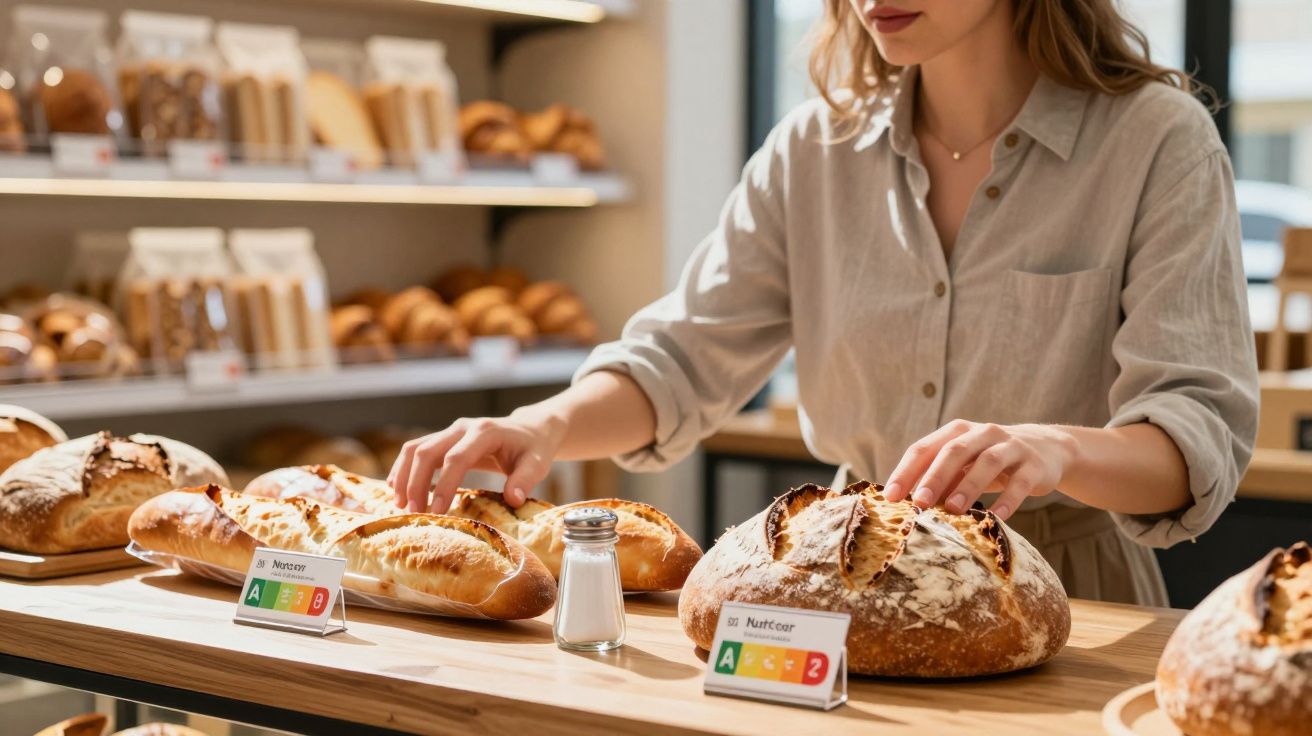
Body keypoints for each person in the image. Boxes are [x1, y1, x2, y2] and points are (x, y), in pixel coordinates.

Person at [389, 0, 1258, 606]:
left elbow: (1195, 436)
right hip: (840, 578)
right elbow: (683, 361)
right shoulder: (813, 148)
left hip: (1065, 592)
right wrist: (543, 424)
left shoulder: (1157, 140)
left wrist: (1053, 449)